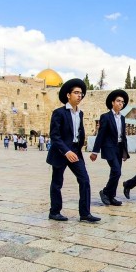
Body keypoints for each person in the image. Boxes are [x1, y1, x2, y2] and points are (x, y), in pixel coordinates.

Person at [46, 78, 100, 223]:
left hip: (75, 152)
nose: (79, 95)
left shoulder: (80, 114)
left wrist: (77, 148)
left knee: (84, 180)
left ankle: (85, 213)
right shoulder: (59, 113)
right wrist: (66, 151)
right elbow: (55, 136)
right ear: (68, 95)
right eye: (76, 92)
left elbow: (78, 132)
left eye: (81, 93)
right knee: (57, 182)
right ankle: (54, 212)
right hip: (60, 152)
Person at [90, 89, 130, 206]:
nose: (120, 104)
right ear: (112, 102)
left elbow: (123, 136)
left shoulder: (122, 118)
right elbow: (101, 135)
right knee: (116, 171)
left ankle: (111, 196)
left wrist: (125, 152)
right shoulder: (106, 117)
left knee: (116, 172)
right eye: (118, 101)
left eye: (122, 102)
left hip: (119, 148)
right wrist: (95, 151)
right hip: (109, 148)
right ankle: (105, 192)